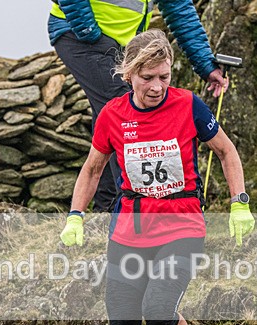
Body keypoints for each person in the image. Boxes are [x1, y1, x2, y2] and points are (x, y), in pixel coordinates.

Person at [60, 29, 255, 325]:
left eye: (164, 76)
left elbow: (226, 152)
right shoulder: (111, 115)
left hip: (182, 225)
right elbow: (93, 169)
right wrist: (76, 216)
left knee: (160, 310)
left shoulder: (188, 104)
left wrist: (239, 202)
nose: (156, 87)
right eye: (147, 77)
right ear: (129, 74)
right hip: (129, 230)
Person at [48, 0, 228, 213]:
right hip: (81, 36)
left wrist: (206, 65)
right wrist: (88, 31)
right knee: (123, 112)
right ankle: (128, 209)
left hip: (125, 43)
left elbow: (178, 9)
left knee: (107, 117)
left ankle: (104, 208)